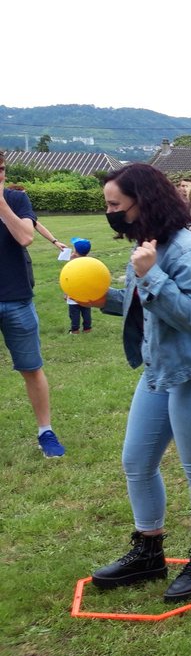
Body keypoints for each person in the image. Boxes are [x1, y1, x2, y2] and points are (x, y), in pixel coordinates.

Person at [90, 162, 191, 602]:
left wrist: (150, 274)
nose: (111, 213)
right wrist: (103, 298)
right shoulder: (148, 244)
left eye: (115, 205)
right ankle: (149, 551)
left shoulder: (187, 251)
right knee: (137, 461)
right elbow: (146, 304)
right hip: (161, 369)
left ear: (144, 201)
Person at [0, 152, 64, 457]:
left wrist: (1, 204)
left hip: (16, 298)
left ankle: (45, 431)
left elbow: (26, 237)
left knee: (32, 368)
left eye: (1, 169)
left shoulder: (15, 199)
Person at [66, 238, 95, 335]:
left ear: (75, 251)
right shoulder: (90, 262)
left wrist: (66, 292)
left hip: (73, 293)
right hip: (86, 293)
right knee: (86, 311)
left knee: (74, 313)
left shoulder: (72, 263)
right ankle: (87, 328)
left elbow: (67, 277)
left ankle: (75, 330)